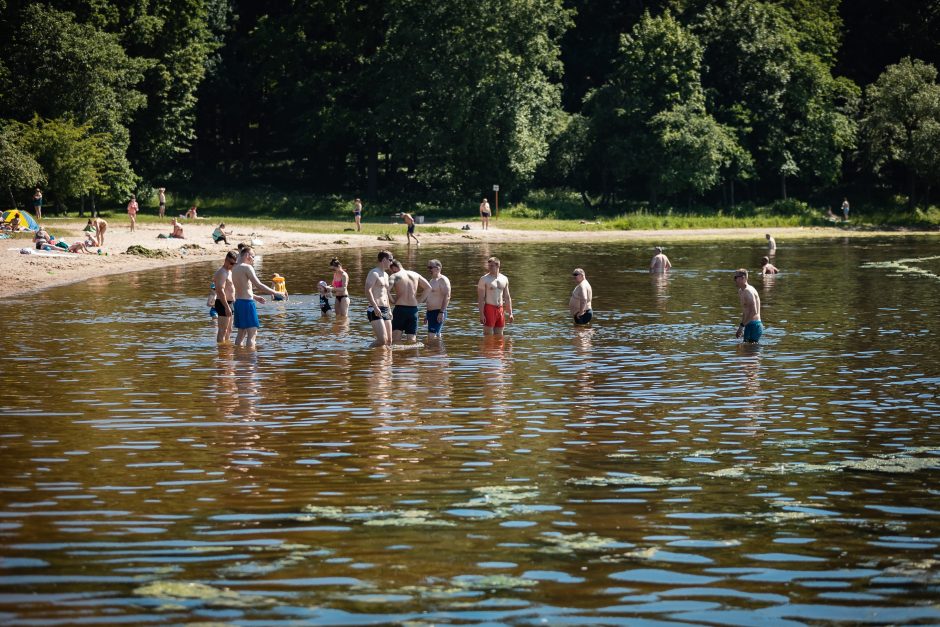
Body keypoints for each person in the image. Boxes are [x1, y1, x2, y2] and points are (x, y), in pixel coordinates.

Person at [232, 246, 285, 347]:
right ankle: (251, 361)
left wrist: (255, 297)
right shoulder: (247, 267)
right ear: (247, 255)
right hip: (247, 303)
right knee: (252, 333)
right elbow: (258, 285)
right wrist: (275, 292)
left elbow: (241, 288)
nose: (253, 259)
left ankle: (240, 359)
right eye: (253, 256)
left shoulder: (234, 268)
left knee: (241, 334)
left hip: (238, 303)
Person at [388, 259, 431, 343]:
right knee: (412, 340)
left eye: (391, 270)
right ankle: (411, 355)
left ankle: (396, 355)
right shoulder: (415, 274)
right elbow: (428, 287)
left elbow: (386, 290)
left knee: (396, 338)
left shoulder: (395, 276)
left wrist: (392, 300)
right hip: (413, 310)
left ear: (394, 268)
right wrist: (419, 301)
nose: (391, 272)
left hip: (400, 309)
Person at [477, 256, 514, 335]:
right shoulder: (484, 279)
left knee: (499, 337)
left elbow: (507, 297)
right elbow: (481, 298)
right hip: (489, 308)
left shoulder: (504, 279)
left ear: (498, 266)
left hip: (500, 309)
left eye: (491, 266)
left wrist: (510, 313)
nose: (489, 268)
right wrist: (481, 314)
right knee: (488, 336)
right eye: (489, 266)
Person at [364, 250, 394, 347]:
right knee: (382, 341)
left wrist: (389, 309)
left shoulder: (386, 275)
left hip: (385, 309)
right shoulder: (374, 273)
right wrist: (375, 307)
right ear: (384, 259)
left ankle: (386, 361)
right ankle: (367, 349)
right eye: (390, 260)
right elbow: (367, 290)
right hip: (375, 308)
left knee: (389, 341)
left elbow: (385, 294)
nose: (391, 262)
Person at [213, 251, 238, 344]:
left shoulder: (229, 272)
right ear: (226, 260)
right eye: (231, 263)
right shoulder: (222, 272)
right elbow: (220, 290)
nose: (232, 265)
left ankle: (227, 352)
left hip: (230, 303)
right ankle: (221, 354)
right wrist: (226, 306)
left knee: (229, 330)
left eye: (234, 264)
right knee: (223, 330)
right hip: (223, 303)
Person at [424, 259, 451, 340]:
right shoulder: (431, 281)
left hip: (438, 312)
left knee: (432, 337)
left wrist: (441, 312)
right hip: (430, 313)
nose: (429, 269)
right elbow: (431, 297)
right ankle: (439, 352)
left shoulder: (442, 280)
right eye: (428, 267)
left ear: (438, 268)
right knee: (436, 336)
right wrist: (427, 314)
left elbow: (447, 296)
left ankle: (436, 352)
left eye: (430, 267)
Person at [734, 268, 762, 343]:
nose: (734, 280)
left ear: (743, 278)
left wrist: (742, 326)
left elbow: (754, 312)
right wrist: (741, 326)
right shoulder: (741, 291)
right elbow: (745, 311)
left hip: (755, 325)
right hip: (748, 324)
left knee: (751, 352)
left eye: (736, 277)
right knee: (745, 351)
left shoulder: (748, 291)